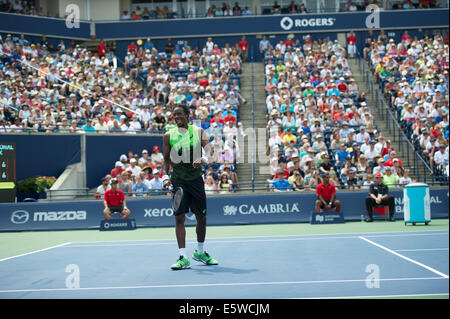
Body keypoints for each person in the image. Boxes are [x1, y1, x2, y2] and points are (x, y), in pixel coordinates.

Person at [163, 104, 218, 270]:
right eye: (175, 115)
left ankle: (200, 252)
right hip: (178, 180)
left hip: (196, 180)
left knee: (202, 218)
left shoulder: (198, 132)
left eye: (180, 114)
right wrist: (166, 177)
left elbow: (210, 150)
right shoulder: (168, 135)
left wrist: (203, 159)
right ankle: (182, 257)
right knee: (179, 218)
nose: (177, 117)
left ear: (188, 114)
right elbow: (166, 159)